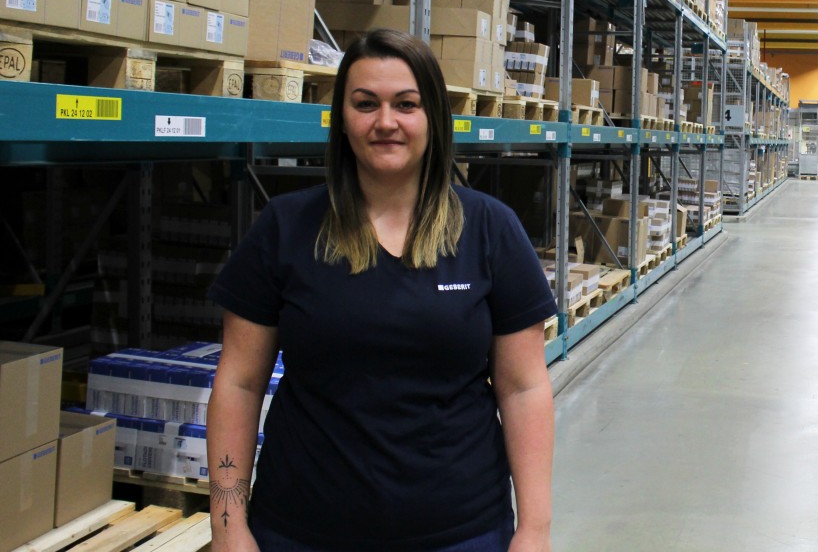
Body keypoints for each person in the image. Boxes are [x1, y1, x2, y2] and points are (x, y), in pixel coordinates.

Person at [206, 28, 557, 551]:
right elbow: (237, 384)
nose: (385, 122)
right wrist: (228, 528)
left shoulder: (490, 230)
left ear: (434, 119)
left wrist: (534, 529)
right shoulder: (286, 227)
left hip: (460, 532)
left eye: (406, 104)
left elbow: (524, 389)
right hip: (302, 531)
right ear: (342, 120)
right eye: (365, 104)